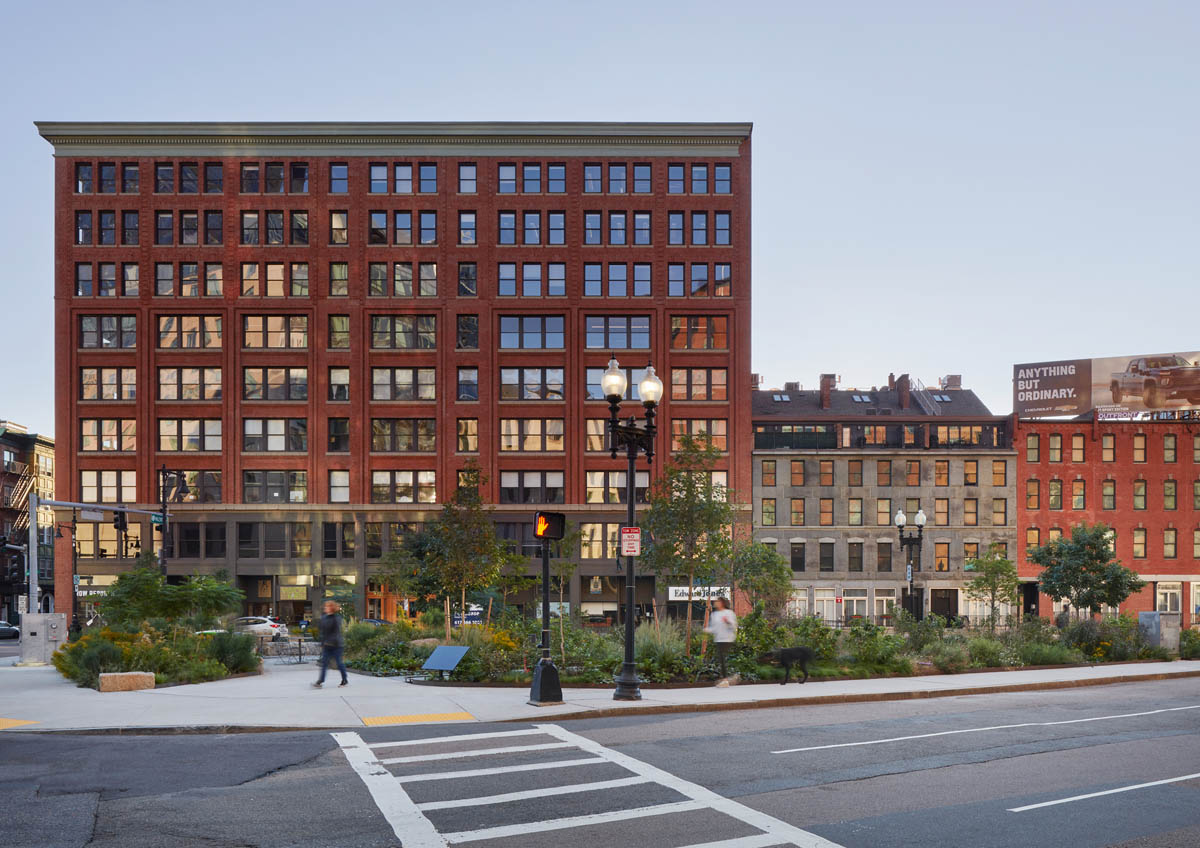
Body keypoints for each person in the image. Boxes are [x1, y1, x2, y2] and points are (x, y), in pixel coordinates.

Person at [313, 600, 348, 688]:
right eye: (325, 606)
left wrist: (330, 640)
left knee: (339, 663)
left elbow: (336, 632)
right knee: (324, 663)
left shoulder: (336, 618)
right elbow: (322, 631)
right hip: (327, 645)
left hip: (336, 645)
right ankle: (320, 681)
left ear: (331, 608)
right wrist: (322, 643)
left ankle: (344, 679)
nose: (325, 608)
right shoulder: (324, 617)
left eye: (327, 606)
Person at [705, 596, 738, 681]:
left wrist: (727, 622)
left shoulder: (729, 613)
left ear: (722, 603)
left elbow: (734, 626)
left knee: (722, 658)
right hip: (718, 639)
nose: (715, 603)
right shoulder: (714, 614)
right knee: (721, 659)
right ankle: (728, 677)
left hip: (727, 639)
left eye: (718, 601)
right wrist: (706, 630)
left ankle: (725, 679)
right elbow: (714, 628)